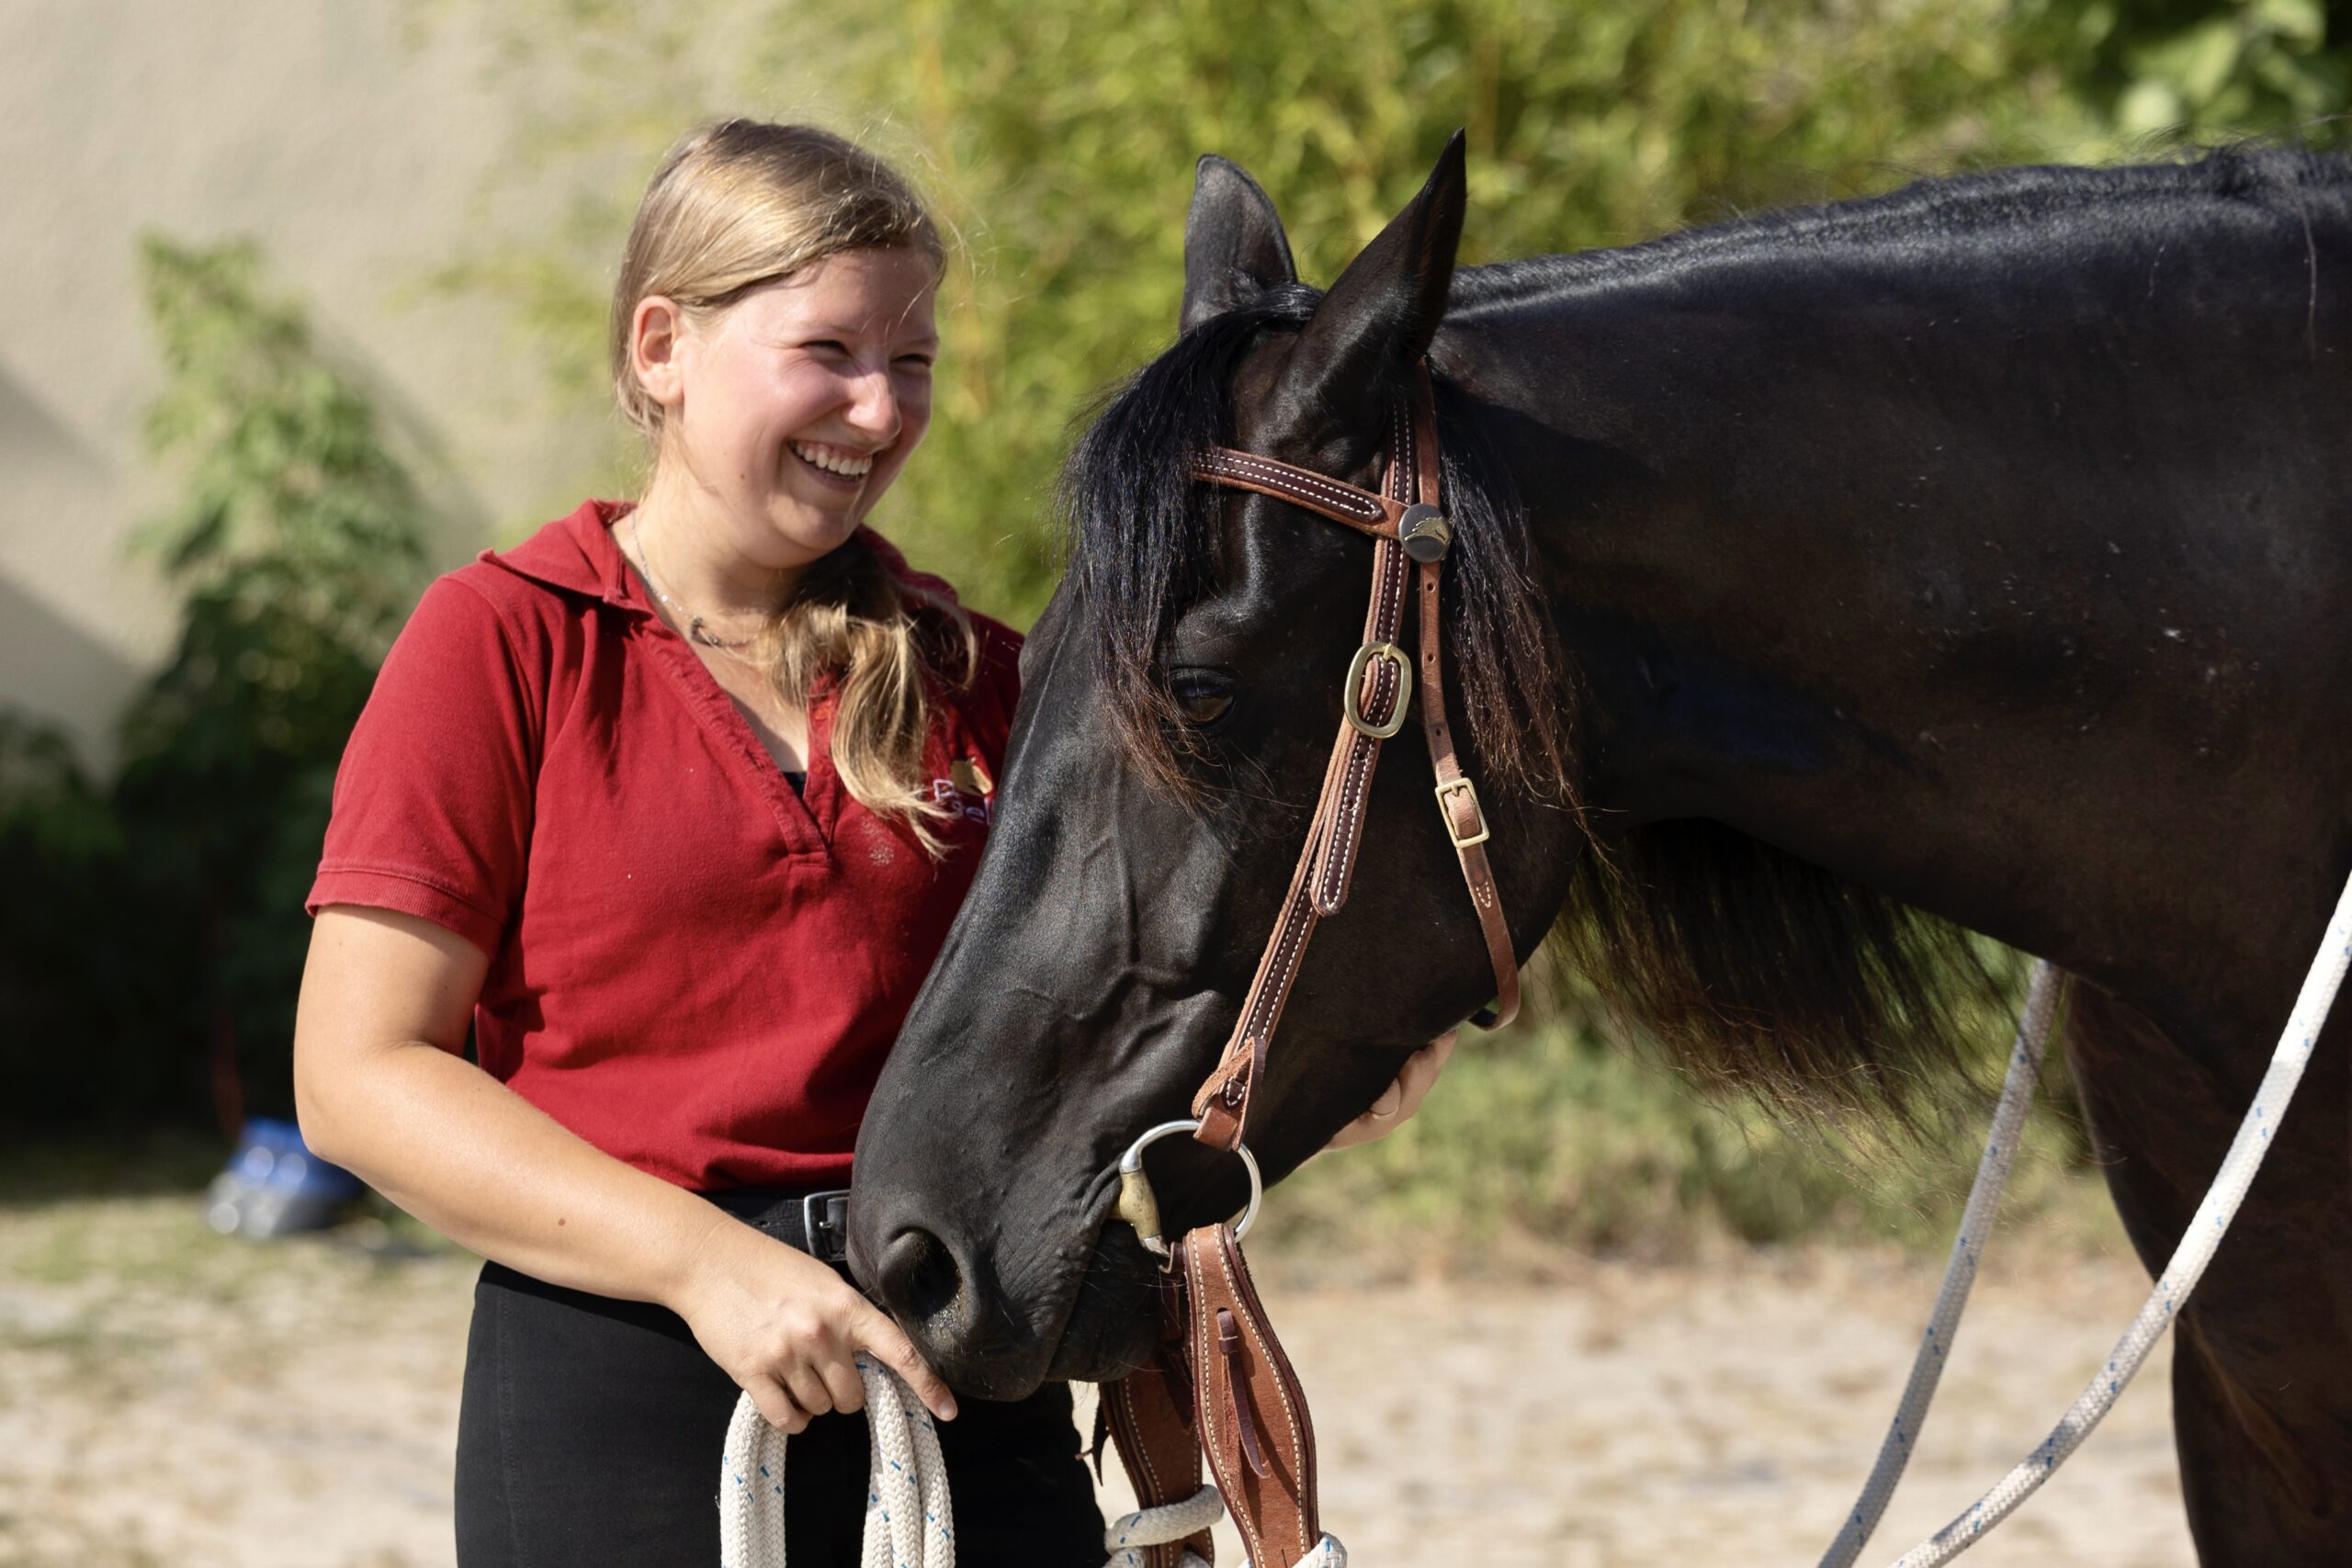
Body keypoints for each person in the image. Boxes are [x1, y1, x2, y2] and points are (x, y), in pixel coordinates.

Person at [291, 119, 1453, 1567]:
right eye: (829, 351)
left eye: (910, 363)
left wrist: (1334, 1057)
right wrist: (709, 1269)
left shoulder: (995, 677)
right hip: (623, 1389)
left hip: (967, 1365)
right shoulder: (503, 642)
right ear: (663, 346)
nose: (880, 408)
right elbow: (356, 1077)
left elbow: (1139, 1010)